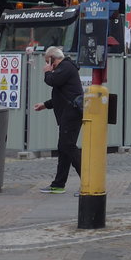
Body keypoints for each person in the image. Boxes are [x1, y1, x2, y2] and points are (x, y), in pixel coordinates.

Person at [33, 47, 83, 194]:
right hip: (68, 114)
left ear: (53, 59)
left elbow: (53, 81)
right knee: (64, 149)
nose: (47, 64)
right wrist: (45, 105)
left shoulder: (66, 67)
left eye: (47, 61)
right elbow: (61, 96)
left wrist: (47, 71)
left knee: (68, 147)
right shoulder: (65, 68)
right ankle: (58, 184)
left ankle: (88, 182)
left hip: (71, 115)